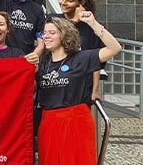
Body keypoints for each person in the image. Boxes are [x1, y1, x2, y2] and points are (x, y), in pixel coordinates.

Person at [36, 16, 121, 165]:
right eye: (44, 33)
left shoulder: (81, 58)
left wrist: (93, 23)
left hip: (76, 121)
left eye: (52, 32)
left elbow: (115, 48)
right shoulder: (42, 62)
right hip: (48, 123)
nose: (46, 36)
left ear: (64, 35)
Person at [54, 0, 106, 103]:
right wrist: (75, 21)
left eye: (70, 0)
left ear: (81, 3)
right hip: (56, 83)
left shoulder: (90, 27)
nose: (63, 3)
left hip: (81, 88)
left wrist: (95, 91)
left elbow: (95, 61)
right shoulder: (53, 20)